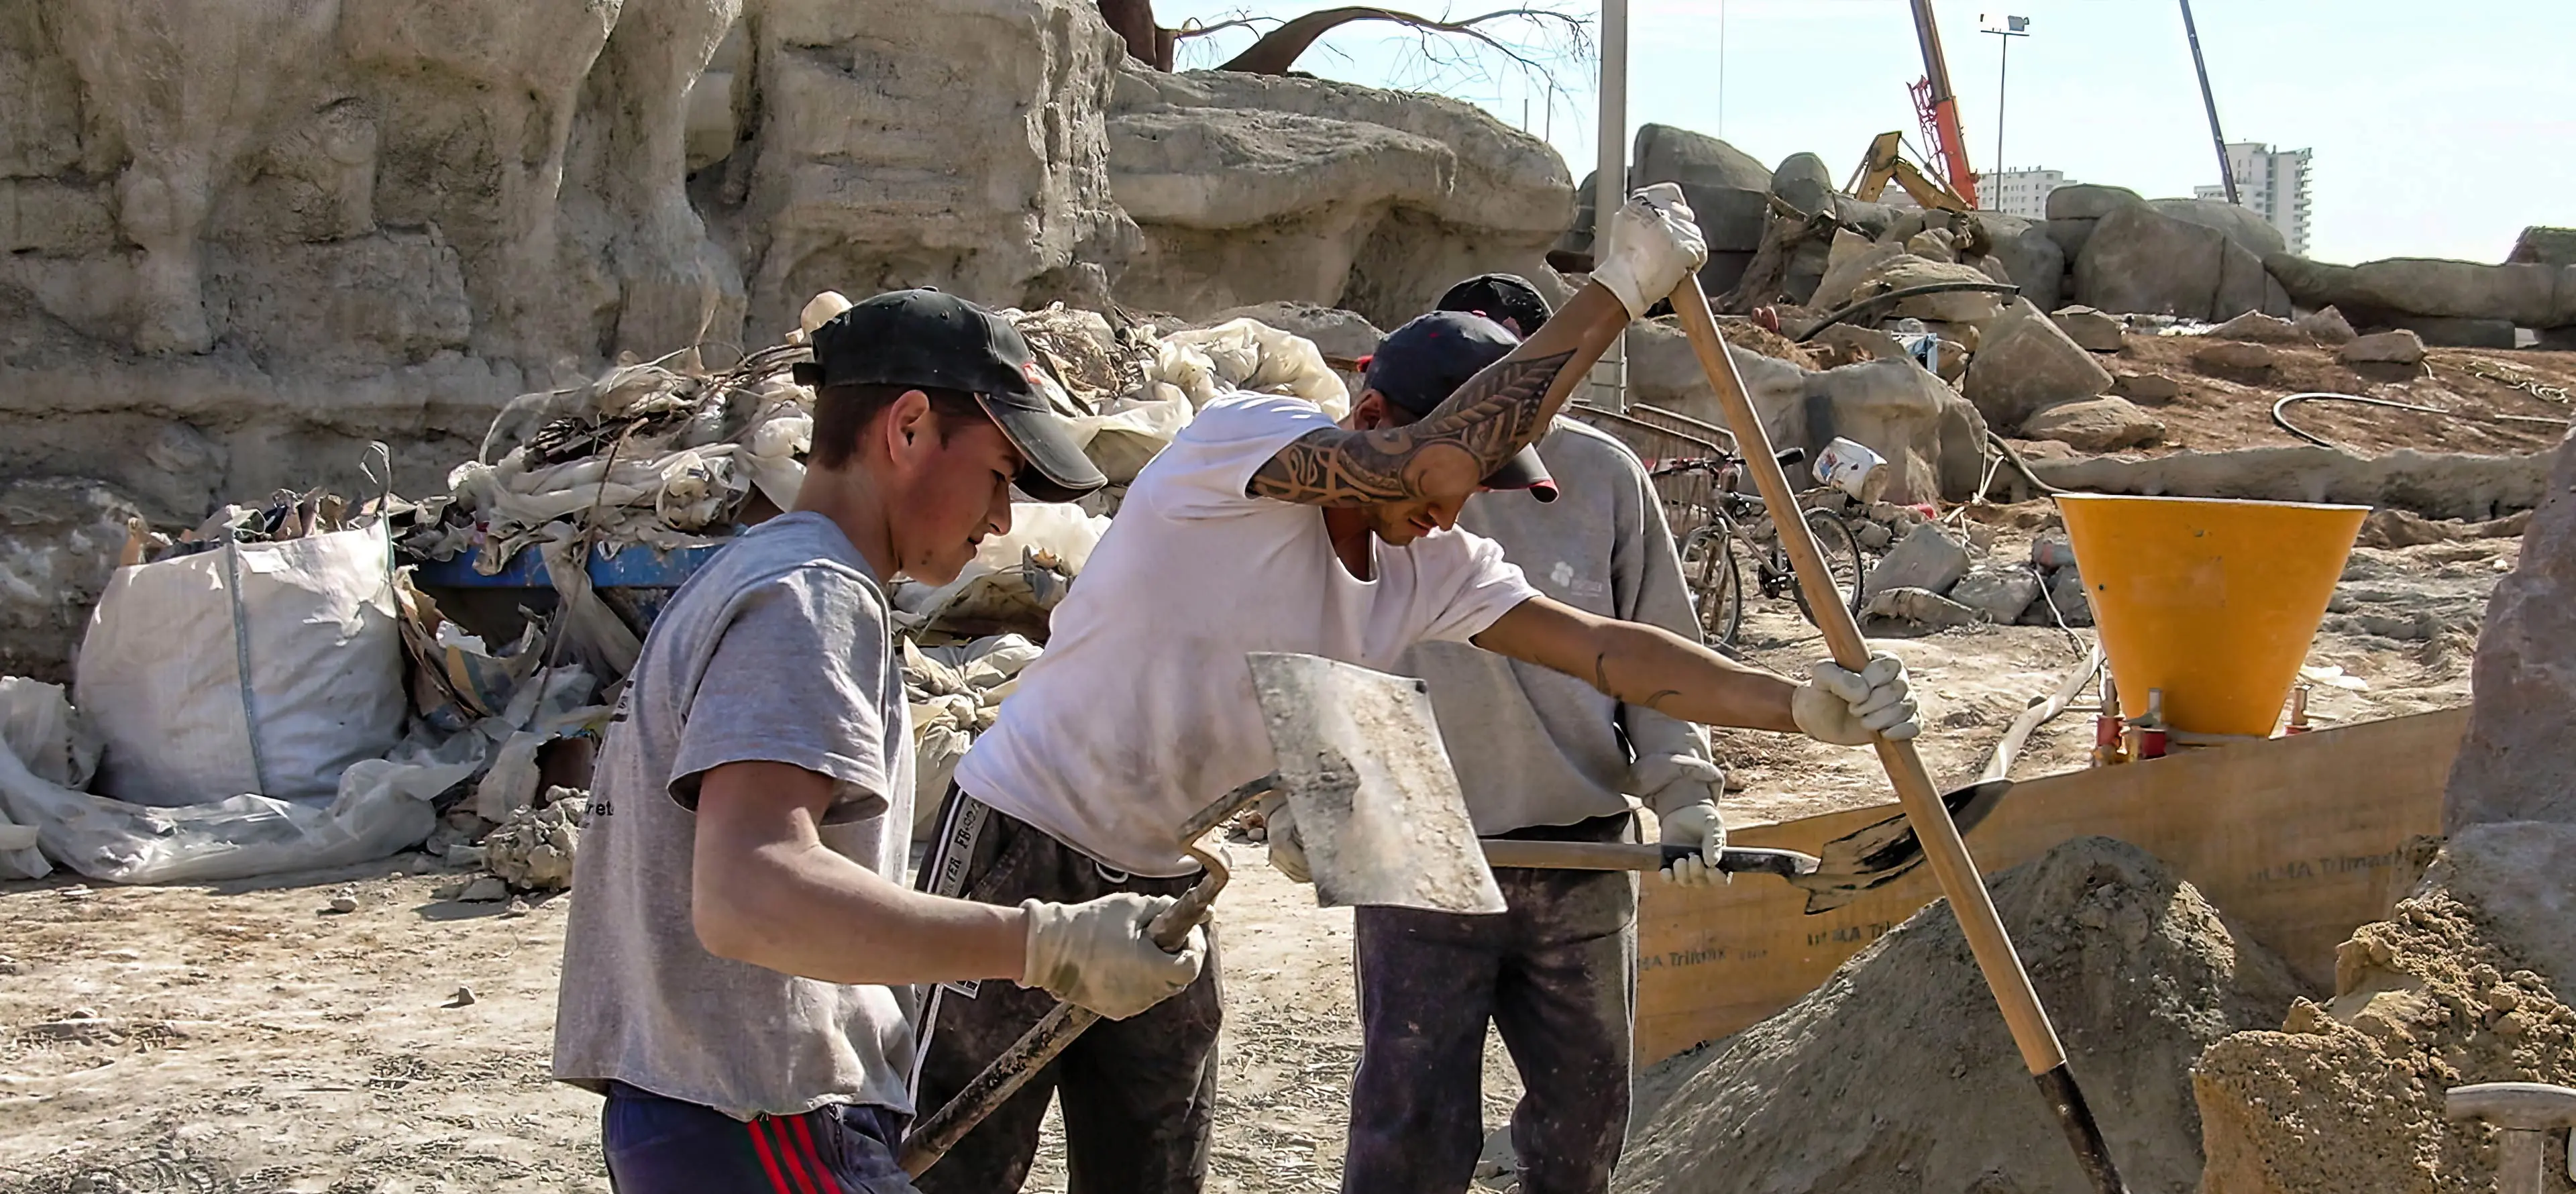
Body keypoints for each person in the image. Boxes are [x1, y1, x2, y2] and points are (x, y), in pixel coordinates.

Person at [906, 184, 1919, 1194]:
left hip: (1169, 881)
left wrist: (1797, 704)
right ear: (1372, 418)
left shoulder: (1432, 564)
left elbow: (1612, 652)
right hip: (1023, 837)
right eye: (1453, 482)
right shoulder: (1238, 446)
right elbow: (1427, 469)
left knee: (1154, 1173)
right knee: (957, 1155)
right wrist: (1619, 288)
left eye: (1481, 489)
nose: (1458, 510)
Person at [551, 289, 1212, 1194]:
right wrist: (1046, 944)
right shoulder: (813, 599)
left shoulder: (752, 574)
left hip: (703, 1116)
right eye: (998, 474)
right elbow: (748, 893)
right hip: (762, 1117)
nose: (1004, 521)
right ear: (906, 429)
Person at [1328, 280, 1722, 1194]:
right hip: (1418, 859)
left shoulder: (1604, 479)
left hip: (1581, 858)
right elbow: (1315, 641)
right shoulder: (1369, 477)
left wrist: (1687, 792)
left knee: (1582, 1128)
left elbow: (1660, 650)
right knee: (1408, 1132)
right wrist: (1303, 795)